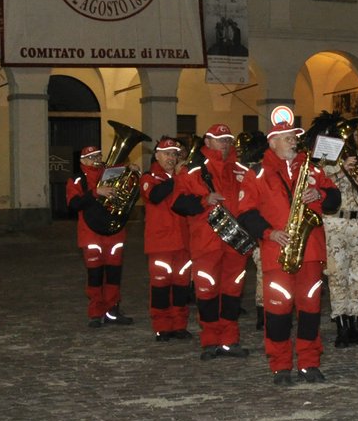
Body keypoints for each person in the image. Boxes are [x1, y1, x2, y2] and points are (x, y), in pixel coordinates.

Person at [235, 113, 341, 385]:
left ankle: (309, 362)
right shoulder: (256, 173)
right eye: (287, 138)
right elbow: (246, 214)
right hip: (277, 252)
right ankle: (281, 365)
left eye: (294, 137)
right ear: (272, 144)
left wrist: (321, 195)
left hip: (312, 251)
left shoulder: (314, 170)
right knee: (278, 312)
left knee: (310, 311)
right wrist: (270, 233)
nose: (293, 141)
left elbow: (334, 199)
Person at [171, 125, 251, 360]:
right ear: (207, 141)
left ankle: (230, 340)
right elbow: (178, 203)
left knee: (232, 292)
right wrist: (205, 199)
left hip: (235, 242)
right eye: (219, 140)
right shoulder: (193, 170)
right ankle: (210, 341)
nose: (225, 144)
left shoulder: (241, 170)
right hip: (206, 242)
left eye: (227, 139)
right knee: (206, 292)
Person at [64, 145, 135, 328]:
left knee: (113, 275)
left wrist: (131, 173)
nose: (97, 159)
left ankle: (112, 310)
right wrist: (96, 193)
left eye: (98, 155)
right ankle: (96, 313)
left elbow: (125, 194)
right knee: (95, 276)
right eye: (92, 157)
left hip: (114, 232)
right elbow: (74, 204)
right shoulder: (77, 179)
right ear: (83, 161)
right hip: (91, 233)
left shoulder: (112, 173)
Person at [323, 124, 358, 349]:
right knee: (338, 276)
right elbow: (319, 186)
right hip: (336, 223)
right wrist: (341, 169)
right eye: (349, 135)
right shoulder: (326, 164)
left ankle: (356, 323)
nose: (353, 138)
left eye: (355, 135)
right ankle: (341, 326)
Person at [140, 137, 194, 341]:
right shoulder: (149, 177)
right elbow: (155, 196)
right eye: (167, 153)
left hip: (183, 241)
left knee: (181, 287)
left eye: (174, 154)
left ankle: (179, 325)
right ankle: (162, 326)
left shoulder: (183, 176)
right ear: (157, 155)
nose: (172, 158)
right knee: (161, 287)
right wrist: (177, 178)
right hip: (160, 242)